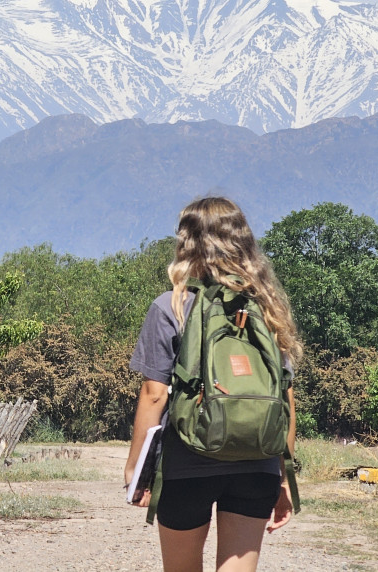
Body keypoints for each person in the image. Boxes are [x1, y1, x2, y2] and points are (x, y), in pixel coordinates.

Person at [124, 196, 302, 572]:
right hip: (258, 464)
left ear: (187, 244)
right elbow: (284, 397)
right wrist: (284, 477)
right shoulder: (267, 309)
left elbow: (154, 394)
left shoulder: (171, 307)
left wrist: (136, 470)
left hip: (188, 461)